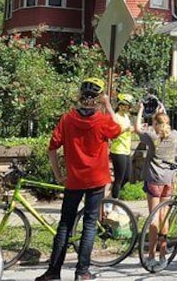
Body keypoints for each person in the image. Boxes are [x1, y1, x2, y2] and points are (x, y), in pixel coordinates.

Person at [35, 77, 121, 281]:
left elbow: (53, 148)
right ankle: (82, 271)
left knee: (65, 224)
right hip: (96, 180)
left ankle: (53, 272)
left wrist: (58, 175)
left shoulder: (67, 119)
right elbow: (118, 130)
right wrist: (108, 105)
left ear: (80, 96)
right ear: (98, 98)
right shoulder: (101, 121)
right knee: (90, 224)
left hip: (74, 180)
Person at [136, 99, 177, 272]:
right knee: (164, 216)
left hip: (154, 179)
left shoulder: (152, 137)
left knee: (153, 217)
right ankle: (163, 254)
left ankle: (152, 254)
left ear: (154, 124)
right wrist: (161, 113)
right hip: (169, 180)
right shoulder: (175, 134)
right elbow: (164, 124)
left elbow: (137, 128)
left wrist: (140, 111)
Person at [109, 93, 135, 200]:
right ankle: (113, 203)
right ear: (120, 105)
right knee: (119, 178)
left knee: (127, 177)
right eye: (127, 106)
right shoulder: (116, 117)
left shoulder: (126, 116)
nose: (129, 108)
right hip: (118, 150)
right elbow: (113, 134)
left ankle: (111, 195)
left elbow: (126, 130)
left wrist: (132, 129)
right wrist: (126, 129)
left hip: (126, 150)